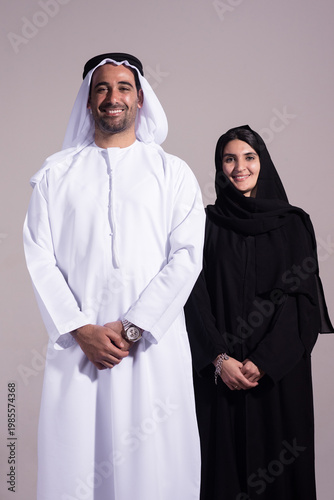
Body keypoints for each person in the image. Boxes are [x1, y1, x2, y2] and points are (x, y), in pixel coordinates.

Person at [24, 53, 205, 500]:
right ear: (88, 102)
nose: (112, 98)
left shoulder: (173, 172)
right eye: (102, 88)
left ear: (140, 99)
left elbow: (187, 256)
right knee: (77, 465)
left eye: (123, 87)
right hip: (79, 349)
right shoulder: (55, 175)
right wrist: (80, 328)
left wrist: (131, 326)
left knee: (154, 466)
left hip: (149, 350)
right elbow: (38, 257)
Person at [185, 125, 333, 500]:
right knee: (221, 471)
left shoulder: (293, 223)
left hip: (278, 377)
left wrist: (265, 361)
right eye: (229, 159)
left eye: (249, 157)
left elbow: (304, 300)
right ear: (219, 167)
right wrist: (220, 359)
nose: (240, 167)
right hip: (221, 376)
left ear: (262, 162)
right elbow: (192, 296)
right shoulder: (204, 224)